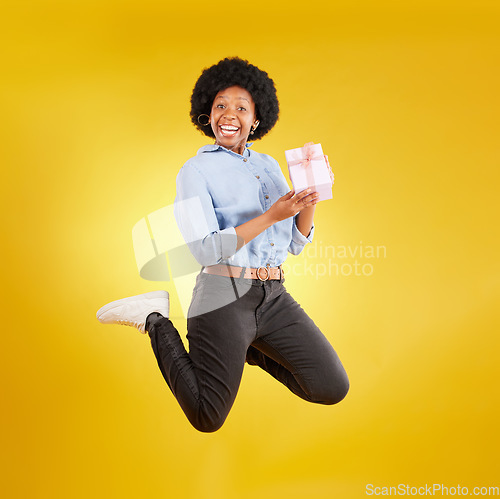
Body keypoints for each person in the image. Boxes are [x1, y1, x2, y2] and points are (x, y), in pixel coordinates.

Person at [96, 57, 349, 433]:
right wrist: (271, 216)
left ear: (256, 119)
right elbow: (203, 250)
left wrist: (309, 203)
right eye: (220, 106)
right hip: (222, 293)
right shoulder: (196, 171)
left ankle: (247, 346)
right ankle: (153, 318)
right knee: (207, 415)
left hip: (273, 294)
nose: (229, 114)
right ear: (207, 115)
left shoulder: (269, 166)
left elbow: (294, 244)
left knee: (331, 386)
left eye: (241, 108)